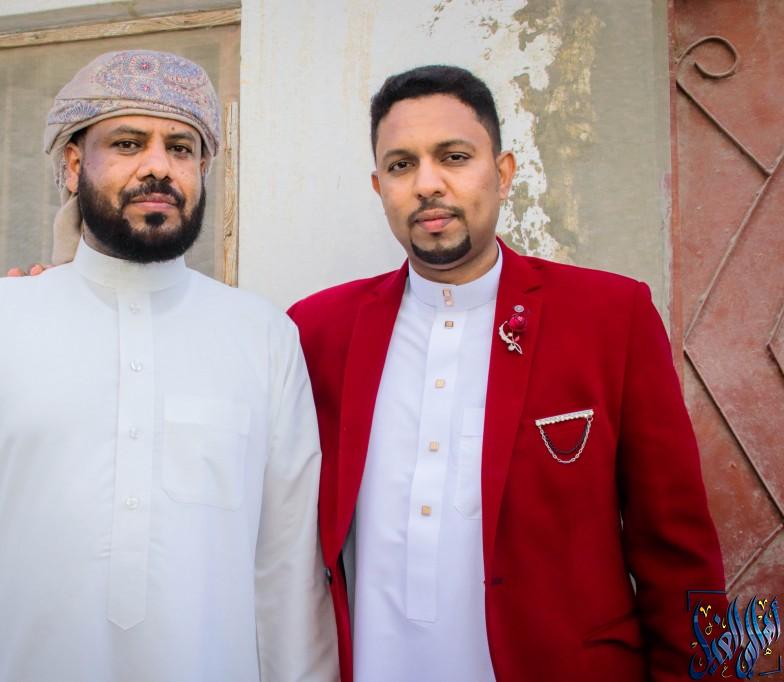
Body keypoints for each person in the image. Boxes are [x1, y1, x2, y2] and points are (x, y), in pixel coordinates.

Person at [0, 50, 337, 682]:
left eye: (181, 148)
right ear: (73, 165)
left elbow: (288, 570)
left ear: (203, 169)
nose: (158, 166)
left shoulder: (261, 337)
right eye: (128, 143)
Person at [287, 65, 726, 682]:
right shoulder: (317, 330)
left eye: (454, 157)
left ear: (504, 172)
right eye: (402, 165)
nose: (427, 184)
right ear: (379, 186)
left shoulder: (610, 316)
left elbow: (680, 548)